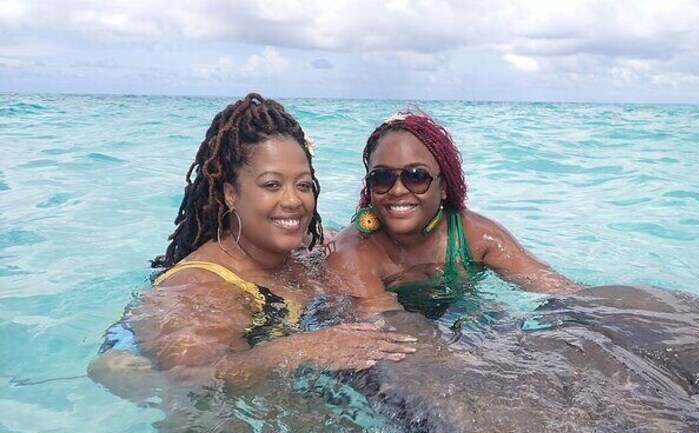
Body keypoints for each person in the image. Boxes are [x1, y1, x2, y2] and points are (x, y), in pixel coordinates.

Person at [92, 93, 416, 389]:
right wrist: (303, 349)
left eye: (303, 185)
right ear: (231, 193)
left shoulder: (313, 248)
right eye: (272, 185)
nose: (293, 201)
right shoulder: (199, 286)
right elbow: (193, 378)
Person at [325, 109, 584, 316]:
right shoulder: (351, 254)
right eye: (382, 177)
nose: (398, 190)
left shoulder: (477, 237)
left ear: (445, 187)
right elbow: (390, 330)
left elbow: (561, 290)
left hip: (460, 309)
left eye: (416, 176)